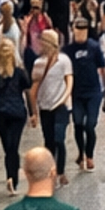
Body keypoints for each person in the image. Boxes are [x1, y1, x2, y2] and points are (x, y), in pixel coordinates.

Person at [31, 30, 74, 182]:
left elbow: (69, 80)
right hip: (45, 106)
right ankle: (51, 169)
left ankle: (61, 171)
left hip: (61, 106)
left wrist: (64, 98)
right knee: (48, 140)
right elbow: (34, 89)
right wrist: (34, 111)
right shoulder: (38, 63)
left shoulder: (63, 61)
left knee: (58, 138)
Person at [0, 37, 33, 190]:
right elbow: (27, 91)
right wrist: (33, 112)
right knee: (13, 146)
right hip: (17, 112)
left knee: (7, 147)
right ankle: (13, 179)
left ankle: (10, 175)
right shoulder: (20, 72)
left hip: (1, 112)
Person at [69, 16, 105, 171]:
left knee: (90, 124)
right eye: (78, 30)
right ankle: (81, 153)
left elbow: (102, 68)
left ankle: (90, 154)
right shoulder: (68, 50)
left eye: (83, 30)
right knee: (78, 124)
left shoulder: (94, 47)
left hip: (93, 92)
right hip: (76, 93)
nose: (80, 33)